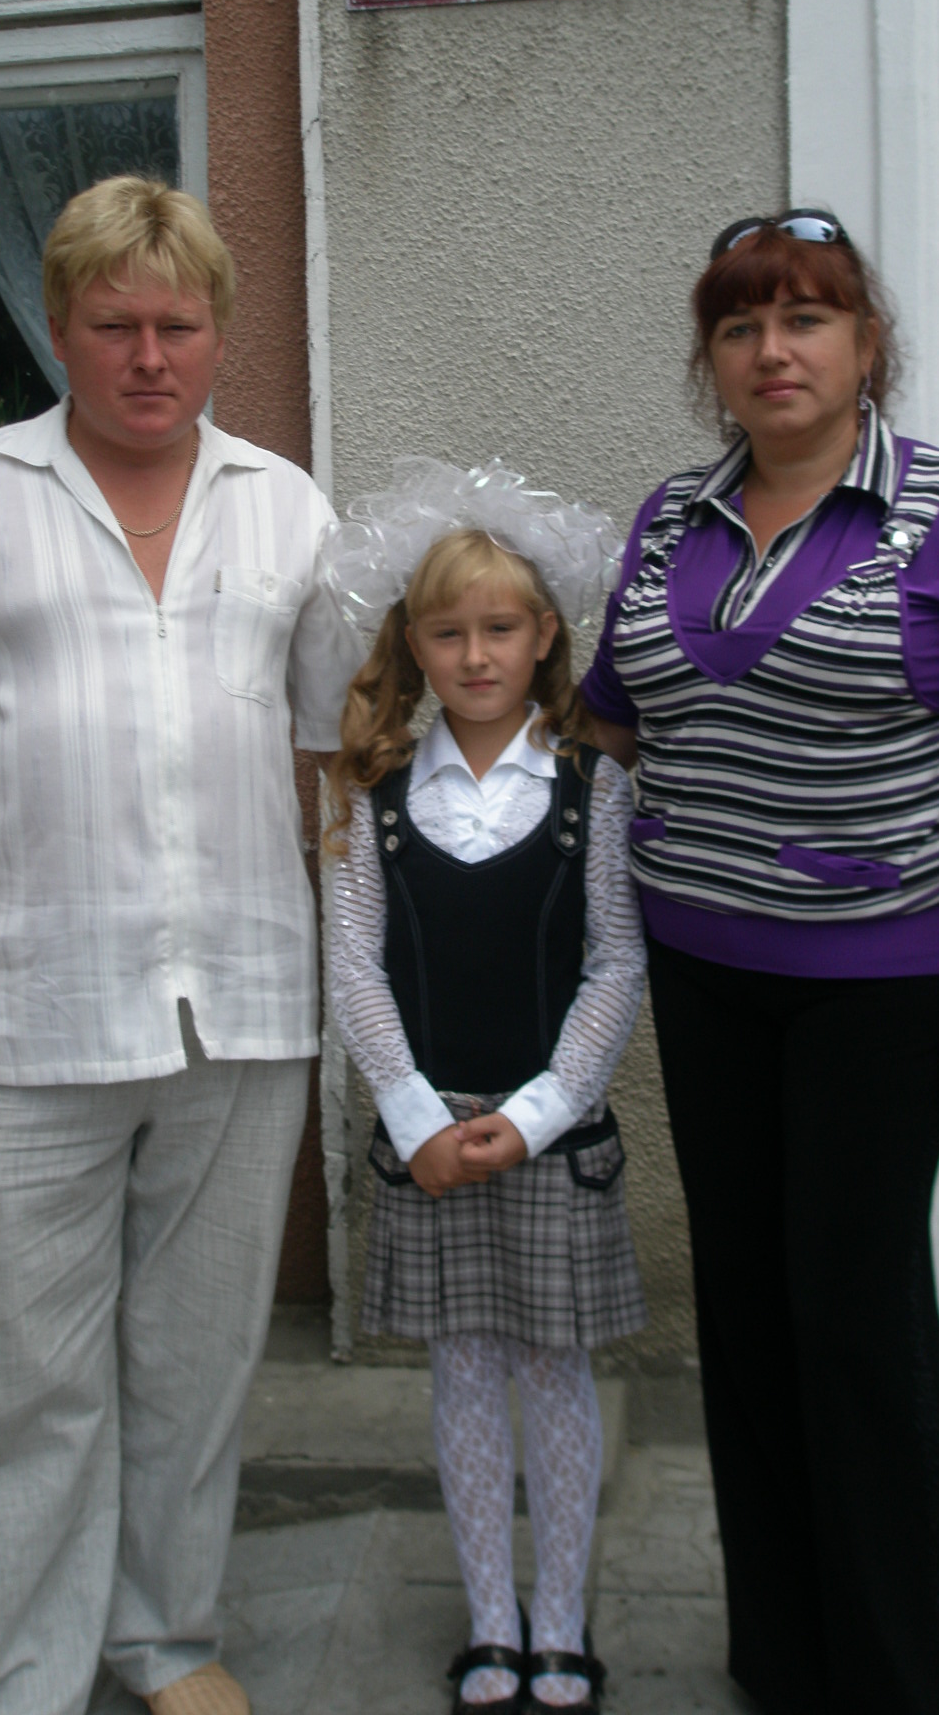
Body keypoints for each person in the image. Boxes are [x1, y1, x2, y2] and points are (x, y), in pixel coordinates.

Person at [0, 177, 356, 1715]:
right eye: (115, 324)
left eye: (177, 326)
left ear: (220, 333)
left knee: (195, 1367)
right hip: (26, 1016)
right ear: (58, 325)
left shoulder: (287, 508)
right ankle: (19, 1681)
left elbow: (341, 761)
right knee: (20, 1391)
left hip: (242, 1006)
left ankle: (165, 1640)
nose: (148, 357)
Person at [581, 211, 939, 1715]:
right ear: (711, 359)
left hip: (885, 987)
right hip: (702, 973)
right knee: (745, 1312)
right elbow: (613, 721)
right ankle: (787, 1658)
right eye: (741, 325)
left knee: (858, 1325)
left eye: (807, 317)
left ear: (869, 344)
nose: (774, 350)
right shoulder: (669, 519)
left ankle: (905, 1680)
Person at [321, 460, 648, 1715]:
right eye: (448, 632)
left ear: (545, 633)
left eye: (499, 628)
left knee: (554, 1371)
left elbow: (615, 960)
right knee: (461, 1372)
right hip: (431, 1141)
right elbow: (354, 962)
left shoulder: (591, 790)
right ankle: (491, 1624)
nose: (474, 654)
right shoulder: (371, 793)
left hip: (551, 1137)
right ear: (414, 642)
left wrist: (537, 1110)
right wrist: (415, 1115)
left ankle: (560, 1621)